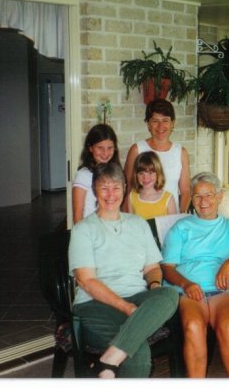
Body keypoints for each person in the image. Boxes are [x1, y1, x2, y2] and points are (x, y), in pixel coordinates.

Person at [69, 162, 179, 378]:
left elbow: (152, 267)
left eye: (116, 188)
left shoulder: (138, 224)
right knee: (137, 354)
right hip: (95, 303)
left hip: (137, 297)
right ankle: (110, 363)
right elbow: (86, 282)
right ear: (94, 191)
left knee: (169, 293)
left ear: (124, 189)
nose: (111, 195)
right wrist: (126, 307)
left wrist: (154, 288)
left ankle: (106, 362)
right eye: (104, 188)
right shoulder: (83, 229)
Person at [161, 172, 229, 378]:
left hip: (223, 289)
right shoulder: (181, 228)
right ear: (192, 199)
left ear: (219, 197)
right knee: (193, 326)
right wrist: (186, 284)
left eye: (209, 195)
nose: (203, 201)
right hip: (188, 289)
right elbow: (167, 267)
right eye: (197, 196)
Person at [122, 98, 190, 213]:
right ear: (148, 124)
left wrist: (180, 216)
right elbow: (127, 188)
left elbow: (185, 191)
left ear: (172, 123)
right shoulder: (137, 149)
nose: (160, 126)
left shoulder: (180, 152)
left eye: (165, 120)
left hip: (169, 217)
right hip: (140, 216)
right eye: (155, 121)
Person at [72, 123, 121, 225]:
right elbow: (78, 214)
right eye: (100, 148)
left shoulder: (116, 173)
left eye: (110, 148)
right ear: (90, 148)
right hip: (91, 231)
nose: (105, 153)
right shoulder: (83, 176)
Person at [126, 151, 177, 219]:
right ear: (136, 175)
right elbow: (130, 223)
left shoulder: (168, 198)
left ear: (158, 173)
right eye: (141, 173)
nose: (145, 178)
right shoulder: (132, 196)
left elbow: (172, 224)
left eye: (150, 173)